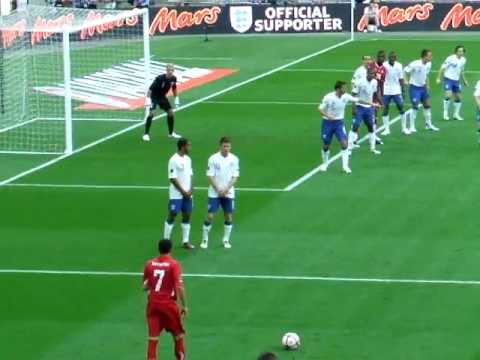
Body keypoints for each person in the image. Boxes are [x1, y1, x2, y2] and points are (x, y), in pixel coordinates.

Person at [318, 81, 379, 174]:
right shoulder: (328, 97)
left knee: (344, 144)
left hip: (338, 123)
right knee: (326, 145)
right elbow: (320, 108)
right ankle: (325, 164)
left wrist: (372, 104)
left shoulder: (345, 96)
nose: (345, 89)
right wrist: (328, 116)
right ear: (338, 89)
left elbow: (358, 100)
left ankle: (345, 166)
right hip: (328, 123)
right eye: (344, 88)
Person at [143, 239, 188, 360]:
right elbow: (179, 287)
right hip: (168, 305)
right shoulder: (174, 264)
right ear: (171, 249)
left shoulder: (149, 264)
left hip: (152, 305)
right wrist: (184, 305)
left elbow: (145, 286)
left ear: (159, 249)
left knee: (153, 339)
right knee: (178, 335)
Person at [201, 137, 240, 249]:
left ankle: (226, 239)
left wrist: (226, 189)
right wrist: (218, 189)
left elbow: (235, 177)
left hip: (228, 192)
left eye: (228, 146)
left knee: (228, 216)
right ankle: (205, 239)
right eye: (224, 146)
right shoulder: (213, 159)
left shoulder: (234, 159)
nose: (226, 148)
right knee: (210, 216)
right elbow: (210, 175)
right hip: (214, 192)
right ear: (220, 146)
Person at [164, 138, 195, 250]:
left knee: (187, 215)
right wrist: (183, 191)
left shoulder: (188, 159)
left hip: (188, 193)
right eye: (189, 145)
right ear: (183, 147)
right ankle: (166, 241)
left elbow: (190, 174)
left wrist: (191, 188)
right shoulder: (173, 160)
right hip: (176, 194)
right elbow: (172, 178)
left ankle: (185, 241)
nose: (190, 148)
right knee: (173, 214)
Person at [143, 64, 181, 141]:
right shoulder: (159, 78)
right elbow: (150, 89)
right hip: (154, 97)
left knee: (170, 113)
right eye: (169, 70)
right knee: (152, 113)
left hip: (162, 97)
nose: (170, 72)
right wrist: (148, 99)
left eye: (172, 70)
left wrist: (176, 98)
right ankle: (146, 134)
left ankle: (171, 133)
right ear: (166, 70)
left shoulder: (173, 79)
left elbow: (174, 88)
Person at [348, 68, 382, 155]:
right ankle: (349, 147)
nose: (371, 75)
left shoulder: (374, 82)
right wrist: (354, 107)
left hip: (369, 108)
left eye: (373, 74)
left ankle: (372, 148)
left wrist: (377, 102)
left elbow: (374, 93)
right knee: (355, 125)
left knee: (371, 127)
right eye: (370, 73)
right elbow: (354, 94)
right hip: (360, 107)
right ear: (367, 73)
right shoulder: (359, 82)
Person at [404, 49, 439, 132]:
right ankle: (412, 126)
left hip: (423, 88)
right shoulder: (415, 64)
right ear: (424, 56)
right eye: (429, 56)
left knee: (427, 105)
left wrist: (428, 85)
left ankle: (428, 124)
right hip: (414, 88)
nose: (431, 57)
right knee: (415, 107)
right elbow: (405, 71)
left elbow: (426, 75)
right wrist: (405, 80)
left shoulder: (429, 64)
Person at [436, 45, 468, 121]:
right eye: (459, 51)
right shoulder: (450, 58)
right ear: (456, 52)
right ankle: (445, 113)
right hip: (448, 79)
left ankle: (456, 114)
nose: (460, 52)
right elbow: (442, 67)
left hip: (456, 80)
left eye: (462, 51)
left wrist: (464, 80)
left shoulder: (463, 60)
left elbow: (461, 71)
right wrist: (438, 78)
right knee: (448, 94)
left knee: (458, 98)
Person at [382, 51, 408, 135]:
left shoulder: (399, 65)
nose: (393, 59)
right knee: (385, 108)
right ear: (388, 58)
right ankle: (386, 129)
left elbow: (401, 78)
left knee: (401, 107)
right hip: (386, 90)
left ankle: (404, 128)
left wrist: (403, 90)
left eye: (394, 57)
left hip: (396, 89)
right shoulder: (384, 65)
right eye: (391, 57)